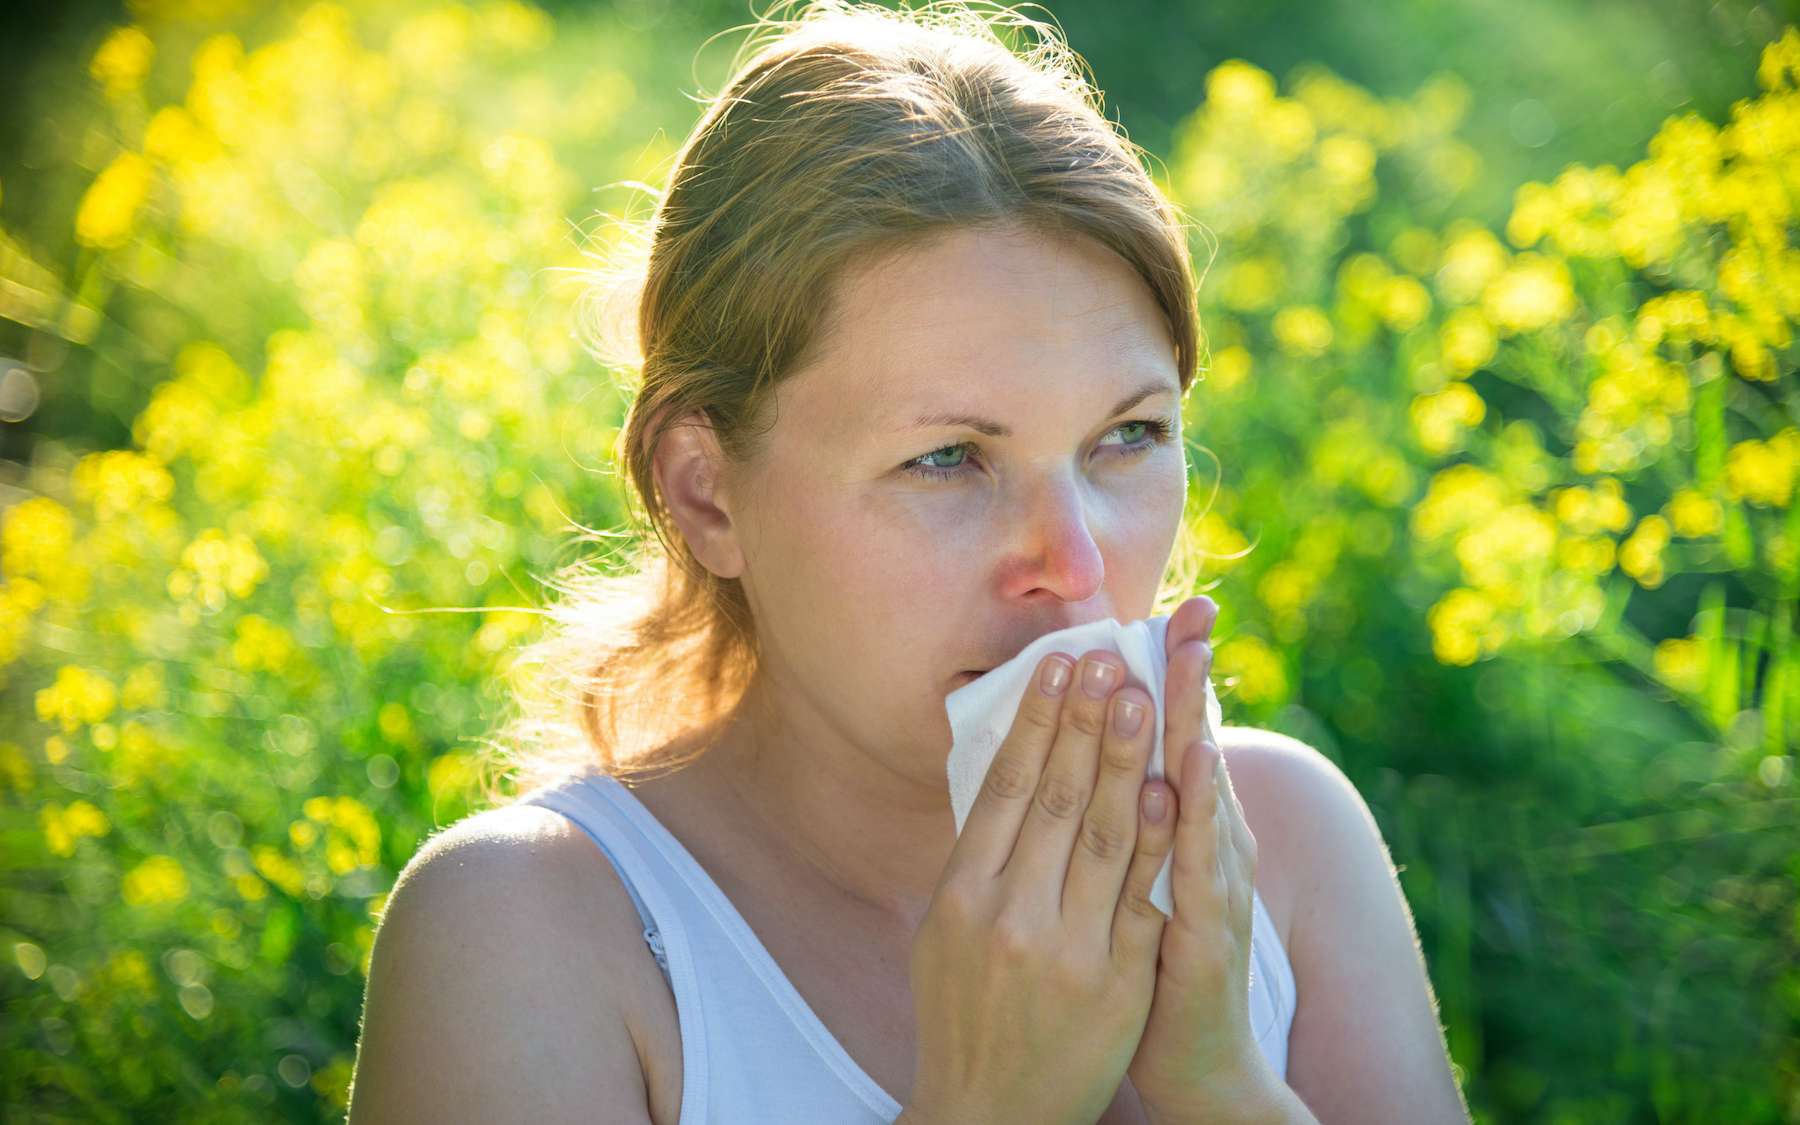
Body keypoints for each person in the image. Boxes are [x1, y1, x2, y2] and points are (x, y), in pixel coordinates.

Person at [346, 3, 1472, 1122]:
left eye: (1127, 437)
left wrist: (1220, 1085)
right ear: (706, 492)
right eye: (947, 460)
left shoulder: (1287, 843)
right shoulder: (532, 936)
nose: (1075, 568)